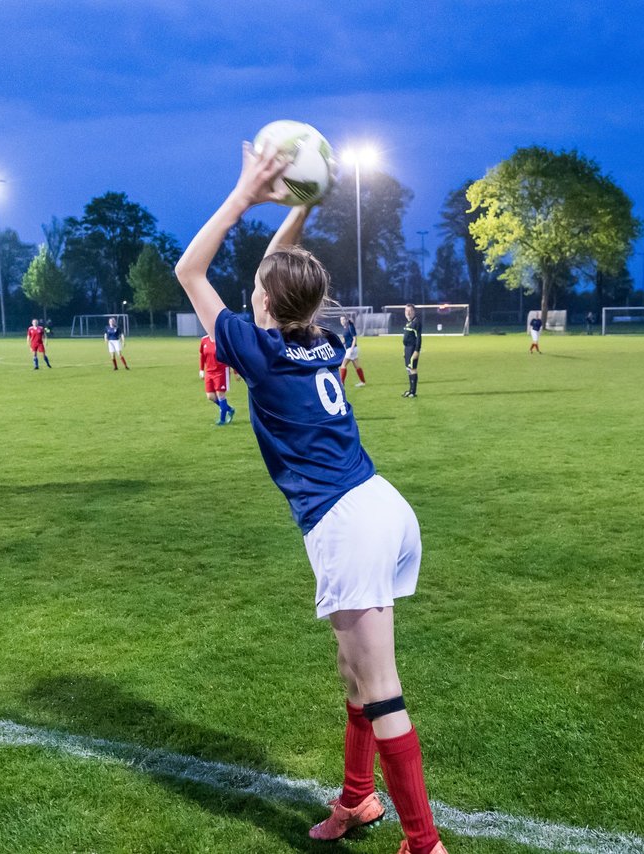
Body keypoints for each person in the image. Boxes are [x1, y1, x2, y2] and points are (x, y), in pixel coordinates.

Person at [173, 144, 446, 854]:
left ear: (265, 301)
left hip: (347, 521)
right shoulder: (321, 337)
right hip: (382, 503)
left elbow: (189, 270)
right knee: (354, 672)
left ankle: (425, 844)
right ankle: (359, 800)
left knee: (380, 686)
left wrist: (243, 194)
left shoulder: (257, 349)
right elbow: (278, 271)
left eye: (259, 288)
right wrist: (303, 199)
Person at [198, 333, 234, 425]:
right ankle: (229, 409)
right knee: (210, 396)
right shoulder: (204, 340)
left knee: (220, 395)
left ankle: (222, 420)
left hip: (221, 371)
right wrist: (201, 369)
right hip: (209, 372)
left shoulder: (221, 340)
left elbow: (231, 356)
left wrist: (235, 372)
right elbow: (202, 356)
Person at [339, 314, 367, 387]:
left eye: (342, 319)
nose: (341, 321)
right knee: (357, 366)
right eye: (340, 320)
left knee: (343, 365)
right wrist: (340, 345)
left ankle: (342, 383)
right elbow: (345, 340)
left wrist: (351, 349)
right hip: (351, 349)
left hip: (351, 349)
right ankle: (363, 382)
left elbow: (354, 338)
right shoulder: (345, 328)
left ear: (346, 320)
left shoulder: (350, 327)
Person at [402, 303, 422, 398]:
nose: (408, 313)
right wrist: (404, 350)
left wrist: (416, 351)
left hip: (412, 349)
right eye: (406, 311)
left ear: (414, 312)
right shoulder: (408, 322)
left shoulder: (416, 322)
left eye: (410, 311)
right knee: (408, 369)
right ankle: (410, 390)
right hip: (407, 349)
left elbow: (418, 338)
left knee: (413, 368)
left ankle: (413, 392)